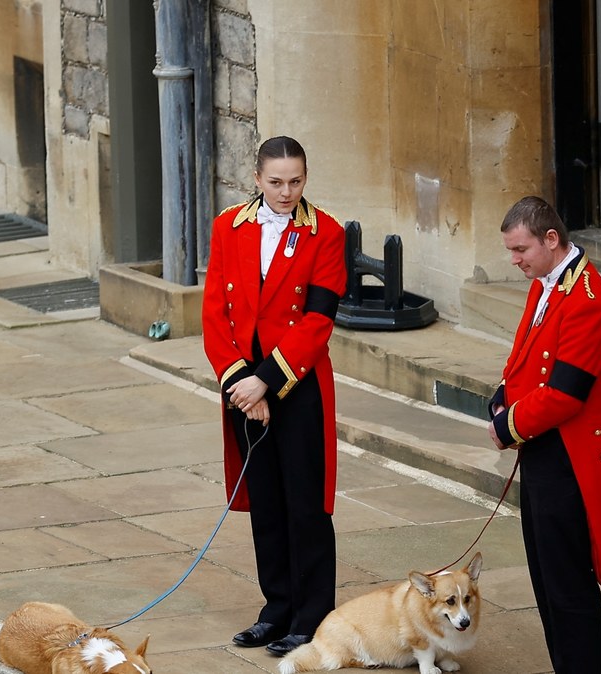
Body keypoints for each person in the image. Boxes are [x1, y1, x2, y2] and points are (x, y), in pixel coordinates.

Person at [201, 136, 346, 657]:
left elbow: (319, 319)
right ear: (257, 179)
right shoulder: (227, 227)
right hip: (243, 388)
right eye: (277, 182)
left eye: (297, 181)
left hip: (298, 385)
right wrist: (243, 385)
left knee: (305, 504)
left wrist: (268, 380)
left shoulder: (326, 233)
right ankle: (277, 607)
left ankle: (313, 615)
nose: (287, 192)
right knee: (265, 502)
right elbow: (215, 312)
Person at [487, 196, 601, 673]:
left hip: (570, 457)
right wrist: (501, 395)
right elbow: (525, 359)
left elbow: (566, 395)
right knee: (545, 576)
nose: (515, 259)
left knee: (567, 583)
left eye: (520, 249)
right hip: (544, 448)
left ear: (550, 240)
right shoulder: (546, 284)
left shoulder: (586, 298)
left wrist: (507, 426)